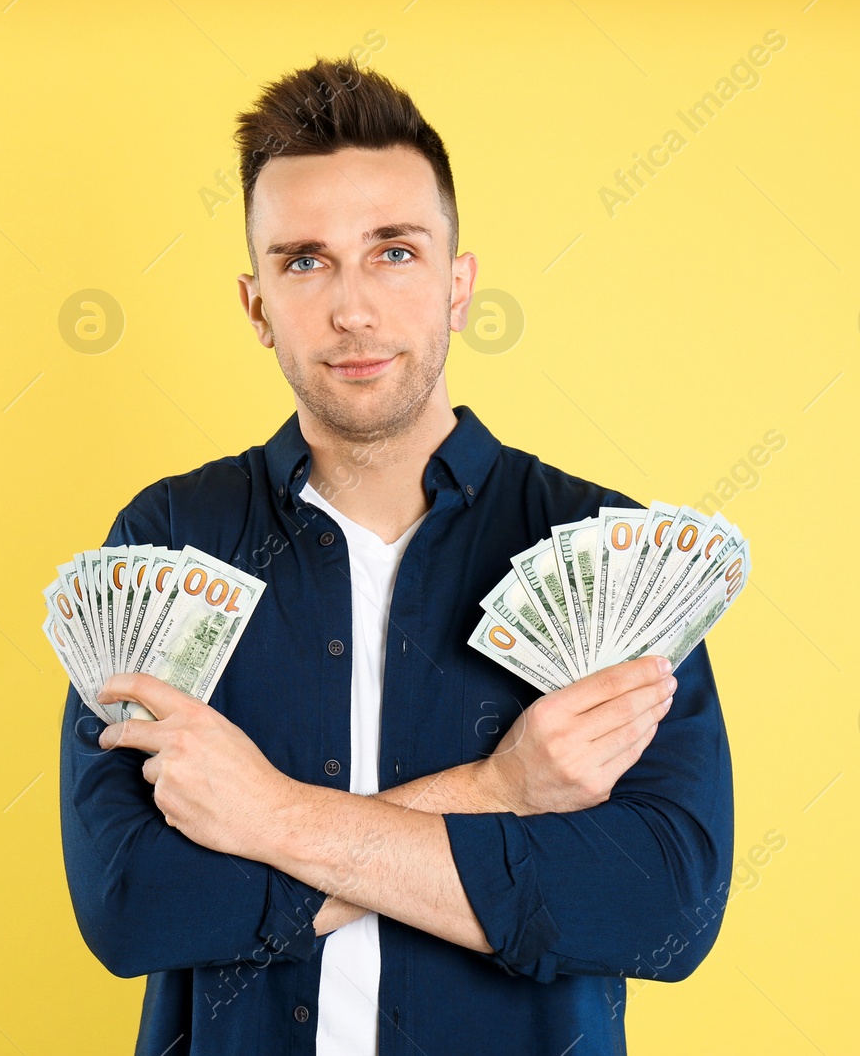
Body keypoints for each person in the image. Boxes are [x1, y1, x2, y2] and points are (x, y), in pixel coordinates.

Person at [58, 55, 734, 1055]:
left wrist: (269, 815)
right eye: (303, 260)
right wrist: (500, 793)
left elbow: (662, 903)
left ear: (458, 284)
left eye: (394, 251)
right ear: (256, 306)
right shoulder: (167, 541)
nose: (353, 309)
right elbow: (134, 906)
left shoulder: (605, 554)